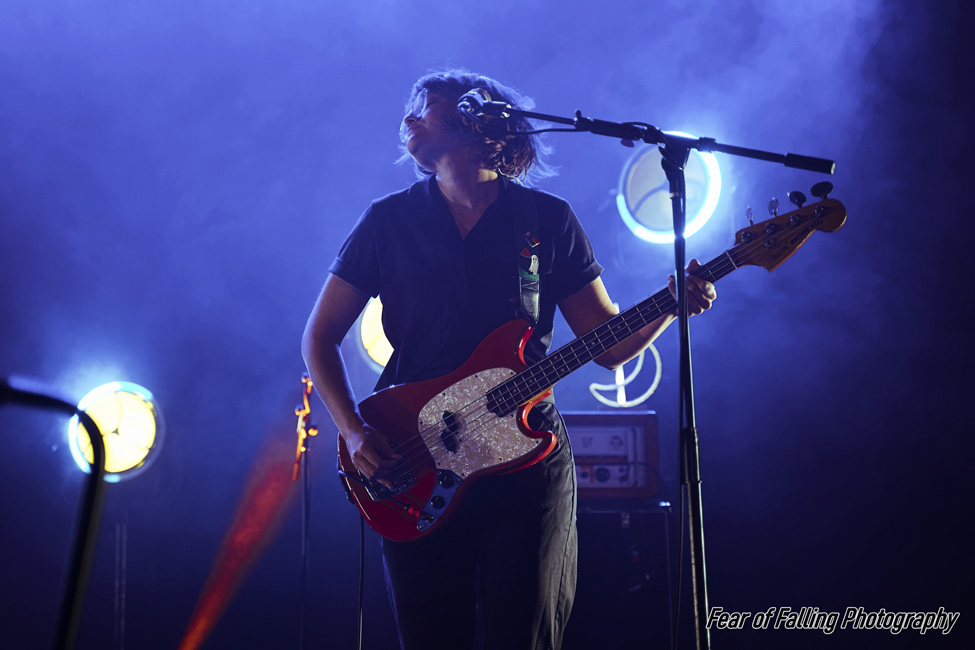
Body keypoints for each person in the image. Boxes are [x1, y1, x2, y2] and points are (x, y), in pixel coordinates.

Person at [301, 70, 716, 650]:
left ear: (475, 120)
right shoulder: (387, 221)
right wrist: (351, 429)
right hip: (415, 456)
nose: (407, 120)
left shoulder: (546, 221)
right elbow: (318, 337)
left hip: (525, 462)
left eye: (424, 107)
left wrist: (671, 305)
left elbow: (610, 344)